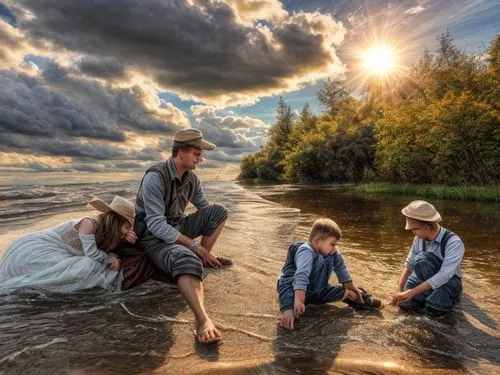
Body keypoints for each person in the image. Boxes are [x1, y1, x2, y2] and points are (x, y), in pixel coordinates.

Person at [134, 128, 229, 344]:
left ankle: (202, 260)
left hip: (177, 227)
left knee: (219, 211)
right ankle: (202, 320)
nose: (201, 158)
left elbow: (206, 208)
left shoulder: (192, 179)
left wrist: (202, 248)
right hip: (153, 237)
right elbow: (156, 225)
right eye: (197, 154)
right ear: (181, 153)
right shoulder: (154, 177)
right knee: (187, 256)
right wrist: (194, 247)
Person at [0, 196, 151, 292]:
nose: (128, 231)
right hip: (42, 248)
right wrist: (111, 258)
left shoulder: (109, 233)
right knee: (88, 265)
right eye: (126, 226)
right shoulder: (89, 223)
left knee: (90, 266)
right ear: (116, 221)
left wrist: (122, 240)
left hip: (63, 253)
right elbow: (91, 253)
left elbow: (101, 250)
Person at [277, 218, 382, 331]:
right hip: (295, 289)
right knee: (290, 302)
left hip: (318, 291)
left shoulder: (331, 252)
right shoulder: (306, 251)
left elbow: (340, 266)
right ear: (317, 240)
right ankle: (288, 310)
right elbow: (301, 275)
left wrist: (349, 284)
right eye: (332, 244)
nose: (334, 248)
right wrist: (298, 301)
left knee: (350, 292)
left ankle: (362, 302)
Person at [390, 200, 464, 318]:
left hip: (448, 282)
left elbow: (444, 275)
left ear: (427, 227)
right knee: (405, 304)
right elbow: (409, 265)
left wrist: (412, 292)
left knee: (434, 310)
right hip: (423, 278)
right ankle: (426, 295)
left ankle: (440, 299)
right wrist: (401, 291)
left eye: (414, 229)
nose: (412, 232)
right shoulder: (419, 238)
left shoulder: (454, 242)